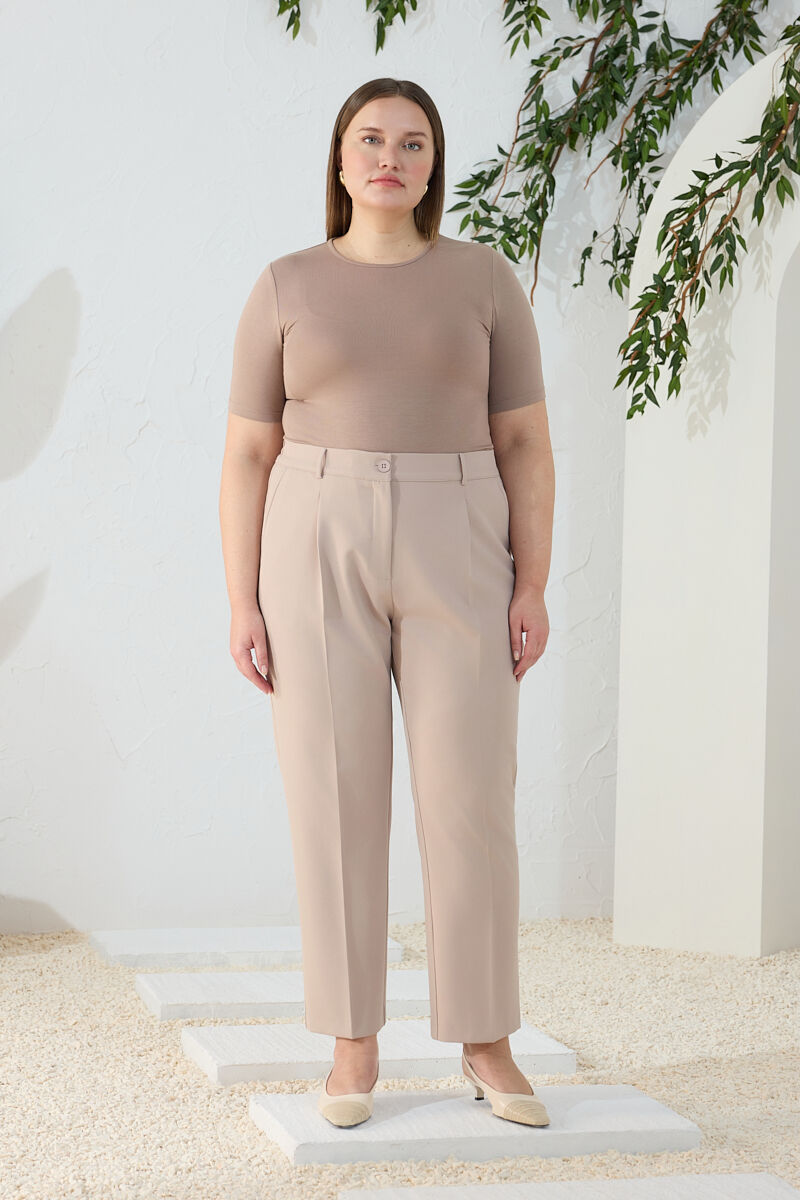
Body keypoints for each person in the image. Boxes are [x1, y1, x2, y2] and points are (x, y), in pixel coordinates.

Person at [219, 77, 555, 1129]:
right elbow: (247, 453)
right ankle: (350, 1042)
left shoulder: (484, 280)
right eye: (370, 139)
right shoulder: (286, 284)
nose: (389, 158)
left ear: (433, 163)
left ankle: (486, 1040)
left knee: (470, 794)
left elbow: (523, 442)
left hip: (462, 532)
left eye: (412, 143)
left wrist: (533, 581)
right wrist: (241, 600)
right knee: (332, 792)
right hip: (315, 529)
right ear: (338, 157)